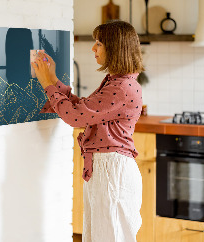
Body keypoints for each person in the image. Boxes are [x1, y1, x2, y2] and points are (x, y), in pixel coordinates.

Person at [32, 20, 144, 242]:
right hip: (107, 169)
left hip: (112, 171)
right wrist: (53, 79)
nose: (93, 48)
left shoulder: (121, 87)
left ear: (115, 48)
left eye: (99, 43)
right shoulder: (117, 82)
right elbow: (83, 109)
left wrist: (47, 84)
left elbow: (75, 117)